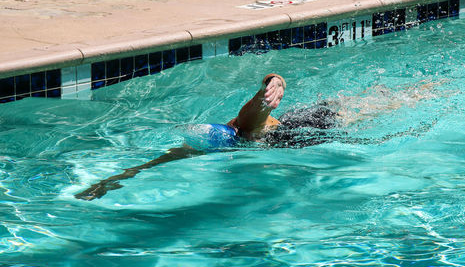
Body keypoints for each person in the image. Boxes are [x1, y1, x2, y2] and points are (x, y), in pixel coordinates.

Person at [75, 73, 438, 200]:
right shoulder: (206, 147)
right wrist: (115, 179)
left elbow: (267, 88)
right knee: (367, 118)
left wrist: (275, 84)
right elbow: (160, 160)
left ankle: (427, 91)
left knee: (370, 114)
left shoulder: (244, 125)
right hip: (297, 139)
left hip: (304, 124)